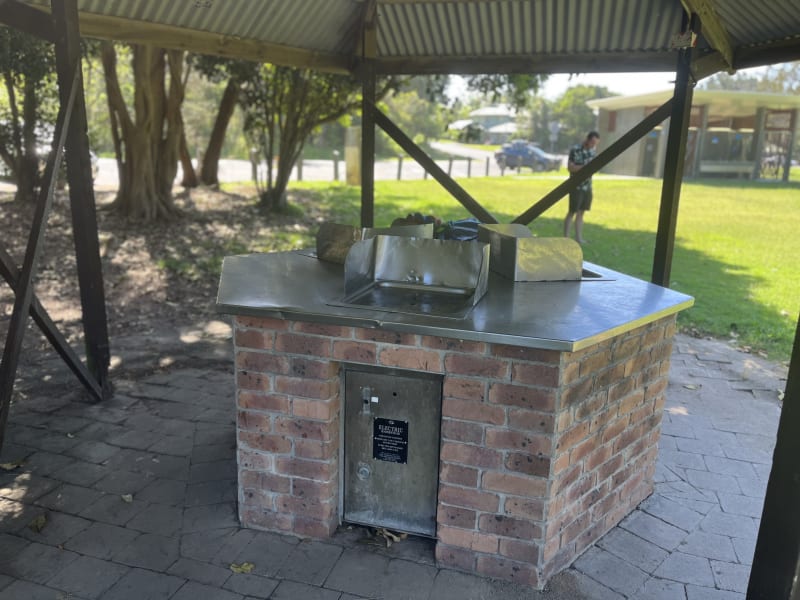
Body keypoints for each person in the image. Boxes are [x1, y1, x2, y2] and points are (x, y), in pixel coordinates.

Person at [564, 131, 600, 244]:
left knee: (581, 212)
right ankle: (566, 238)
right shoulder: (575, 150)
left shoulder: (592, 152)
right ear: (587, 140)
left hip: (587, 186)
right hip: (576, 186)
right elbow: (570, 168)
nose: (594, 145)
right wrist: (585, 167)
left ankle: (578, 238)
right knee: (572, 211)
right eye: (592, 142)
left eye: (596, 143)